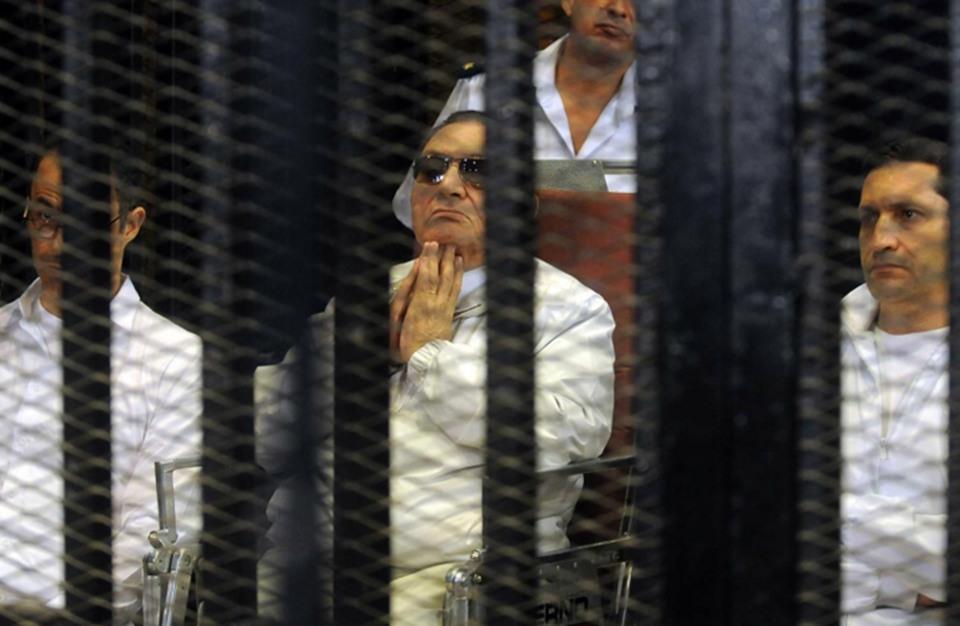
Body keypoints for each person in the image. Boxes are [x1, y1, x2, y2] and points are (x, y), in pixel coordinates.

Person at [259, 111, 615, 625]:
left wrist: (430, 354)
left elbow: (563, 441)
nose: (447, 184)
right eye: (431, 169)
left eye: (476, 170)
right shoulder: (367, 297)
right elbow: (269, 438)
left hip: (463, 575)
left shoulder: (569, 309)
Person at [0, 147, 202, 621]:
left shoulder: (173, 358)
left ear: (130, 225)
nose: (55, 245)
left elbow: (152, 539)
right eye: (45, 218)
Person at [392, 0, 637, 227]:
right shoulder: (488, 87)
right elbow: (414, 206)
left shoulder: (661, 111)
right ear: (568, 2)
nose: (618, 8)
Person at [841, 137, 949, 624]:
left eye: (908, 215)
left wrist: (837, 516)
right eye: (869, 218)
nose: (881, 238)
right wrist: (904, 587)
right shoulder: (801, 346)